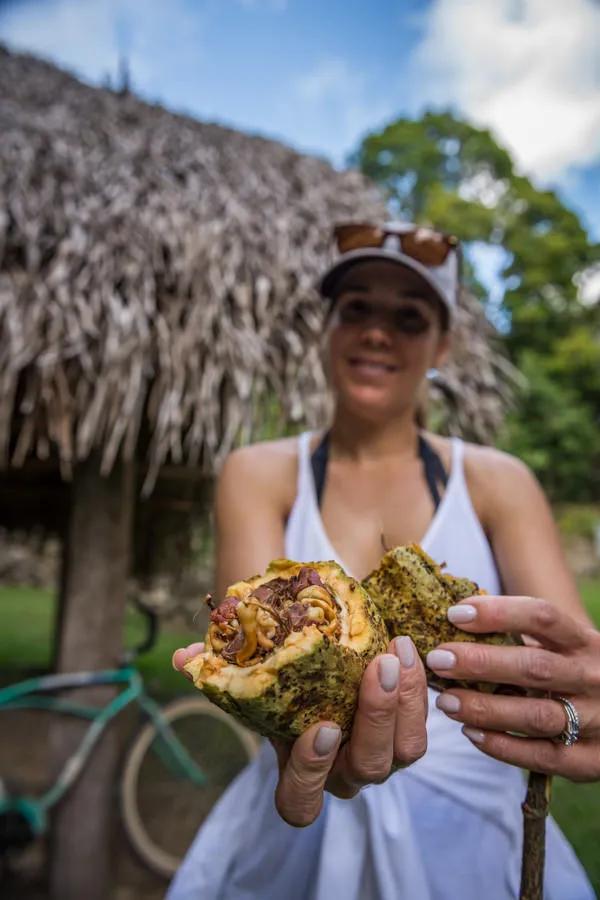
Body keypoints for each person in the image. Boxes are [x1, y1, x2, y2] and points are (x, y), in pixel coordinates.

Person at [168, 222, 598, 900]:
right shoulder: (257, 474)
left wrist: (577, 713)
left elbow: (575, 677)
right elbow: (249, 663)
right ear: (329, 328)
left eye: (408, 316)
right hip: (298, 823)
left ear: (443, 345)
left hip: (469, 827)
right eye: (357, 308)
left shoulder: (499, 482)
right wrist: (299, 732)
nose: (377, 332)